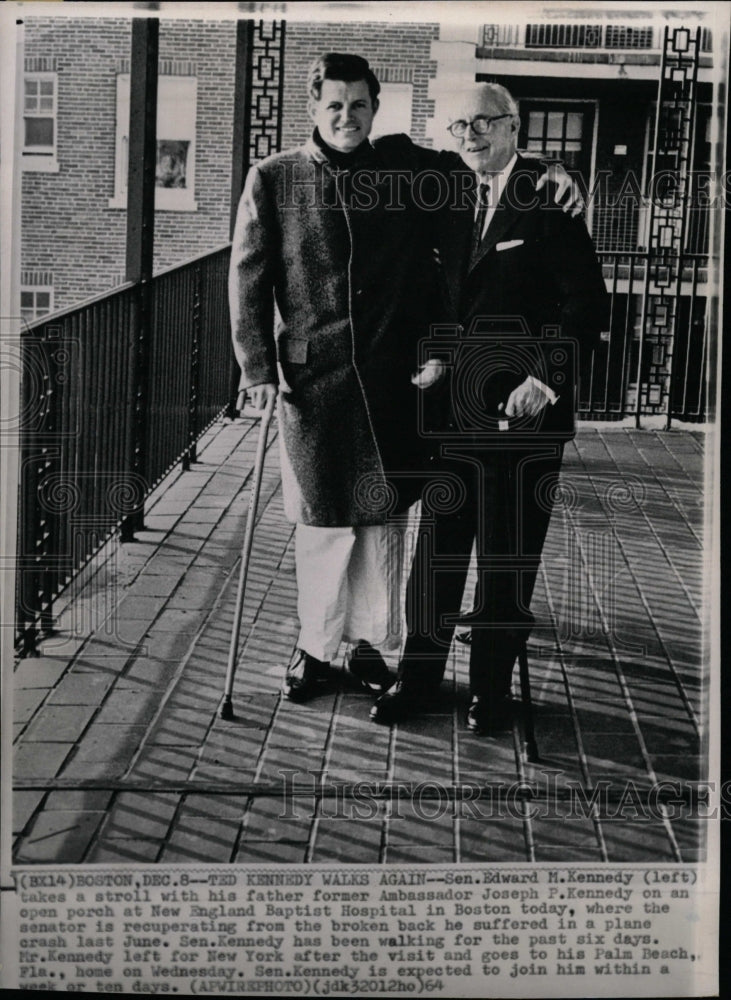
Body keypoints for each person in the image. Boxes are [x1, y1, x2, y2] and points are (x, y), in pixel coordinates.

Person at [229, 57, 582, 706]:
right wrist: (256, 368)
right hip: (314, 383)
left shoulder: (407, 171)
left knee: (384, 522)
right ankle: (316, 649)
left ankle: (373, 647)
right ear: (313, 107)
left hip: (398, 381)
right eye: (334, 105)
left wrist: (549, 170)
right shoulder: (274, 177)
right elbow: (248, 281)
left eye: (358, 105)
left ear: (374, 106)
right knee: (323, 525)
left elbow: (475, 216)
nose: (346, 116)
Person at [370, 82, 609, 731]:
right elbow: (387, 149)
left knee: (506, 559)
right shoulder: (449, 188)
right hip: (451, 411)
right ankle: (416, 679)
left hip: (524, 412)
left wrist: (545, 377)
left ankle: (489, 692)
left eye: (482, 123)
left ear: (512, 128)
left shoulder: (545, 196)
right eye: (457, 126)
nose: (469, 135)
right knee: (437, 554)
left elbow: (587, 303)